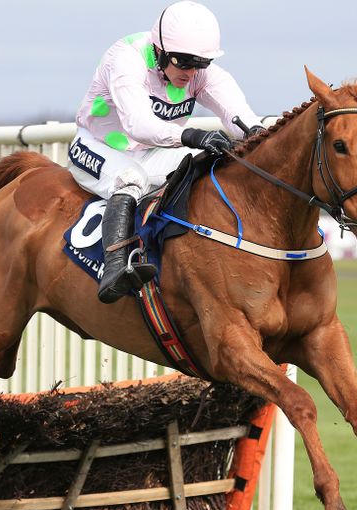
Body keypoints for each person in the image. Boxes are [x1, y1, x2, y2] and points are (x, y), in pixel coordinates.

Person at [67, 0, 265, 303]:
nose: (191, 72)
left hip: (150, 153)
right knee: (130, 178)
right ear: (160, 51)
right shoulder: (126, 58)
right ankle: (115, 268)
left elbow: (239, 115)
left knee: (215, 162)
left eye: (201, 63)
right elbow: (138, 124)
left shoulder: (198, 72)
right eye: (184, 61)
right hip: (95, 147)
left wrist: (258, 136)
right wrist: (192, 134)